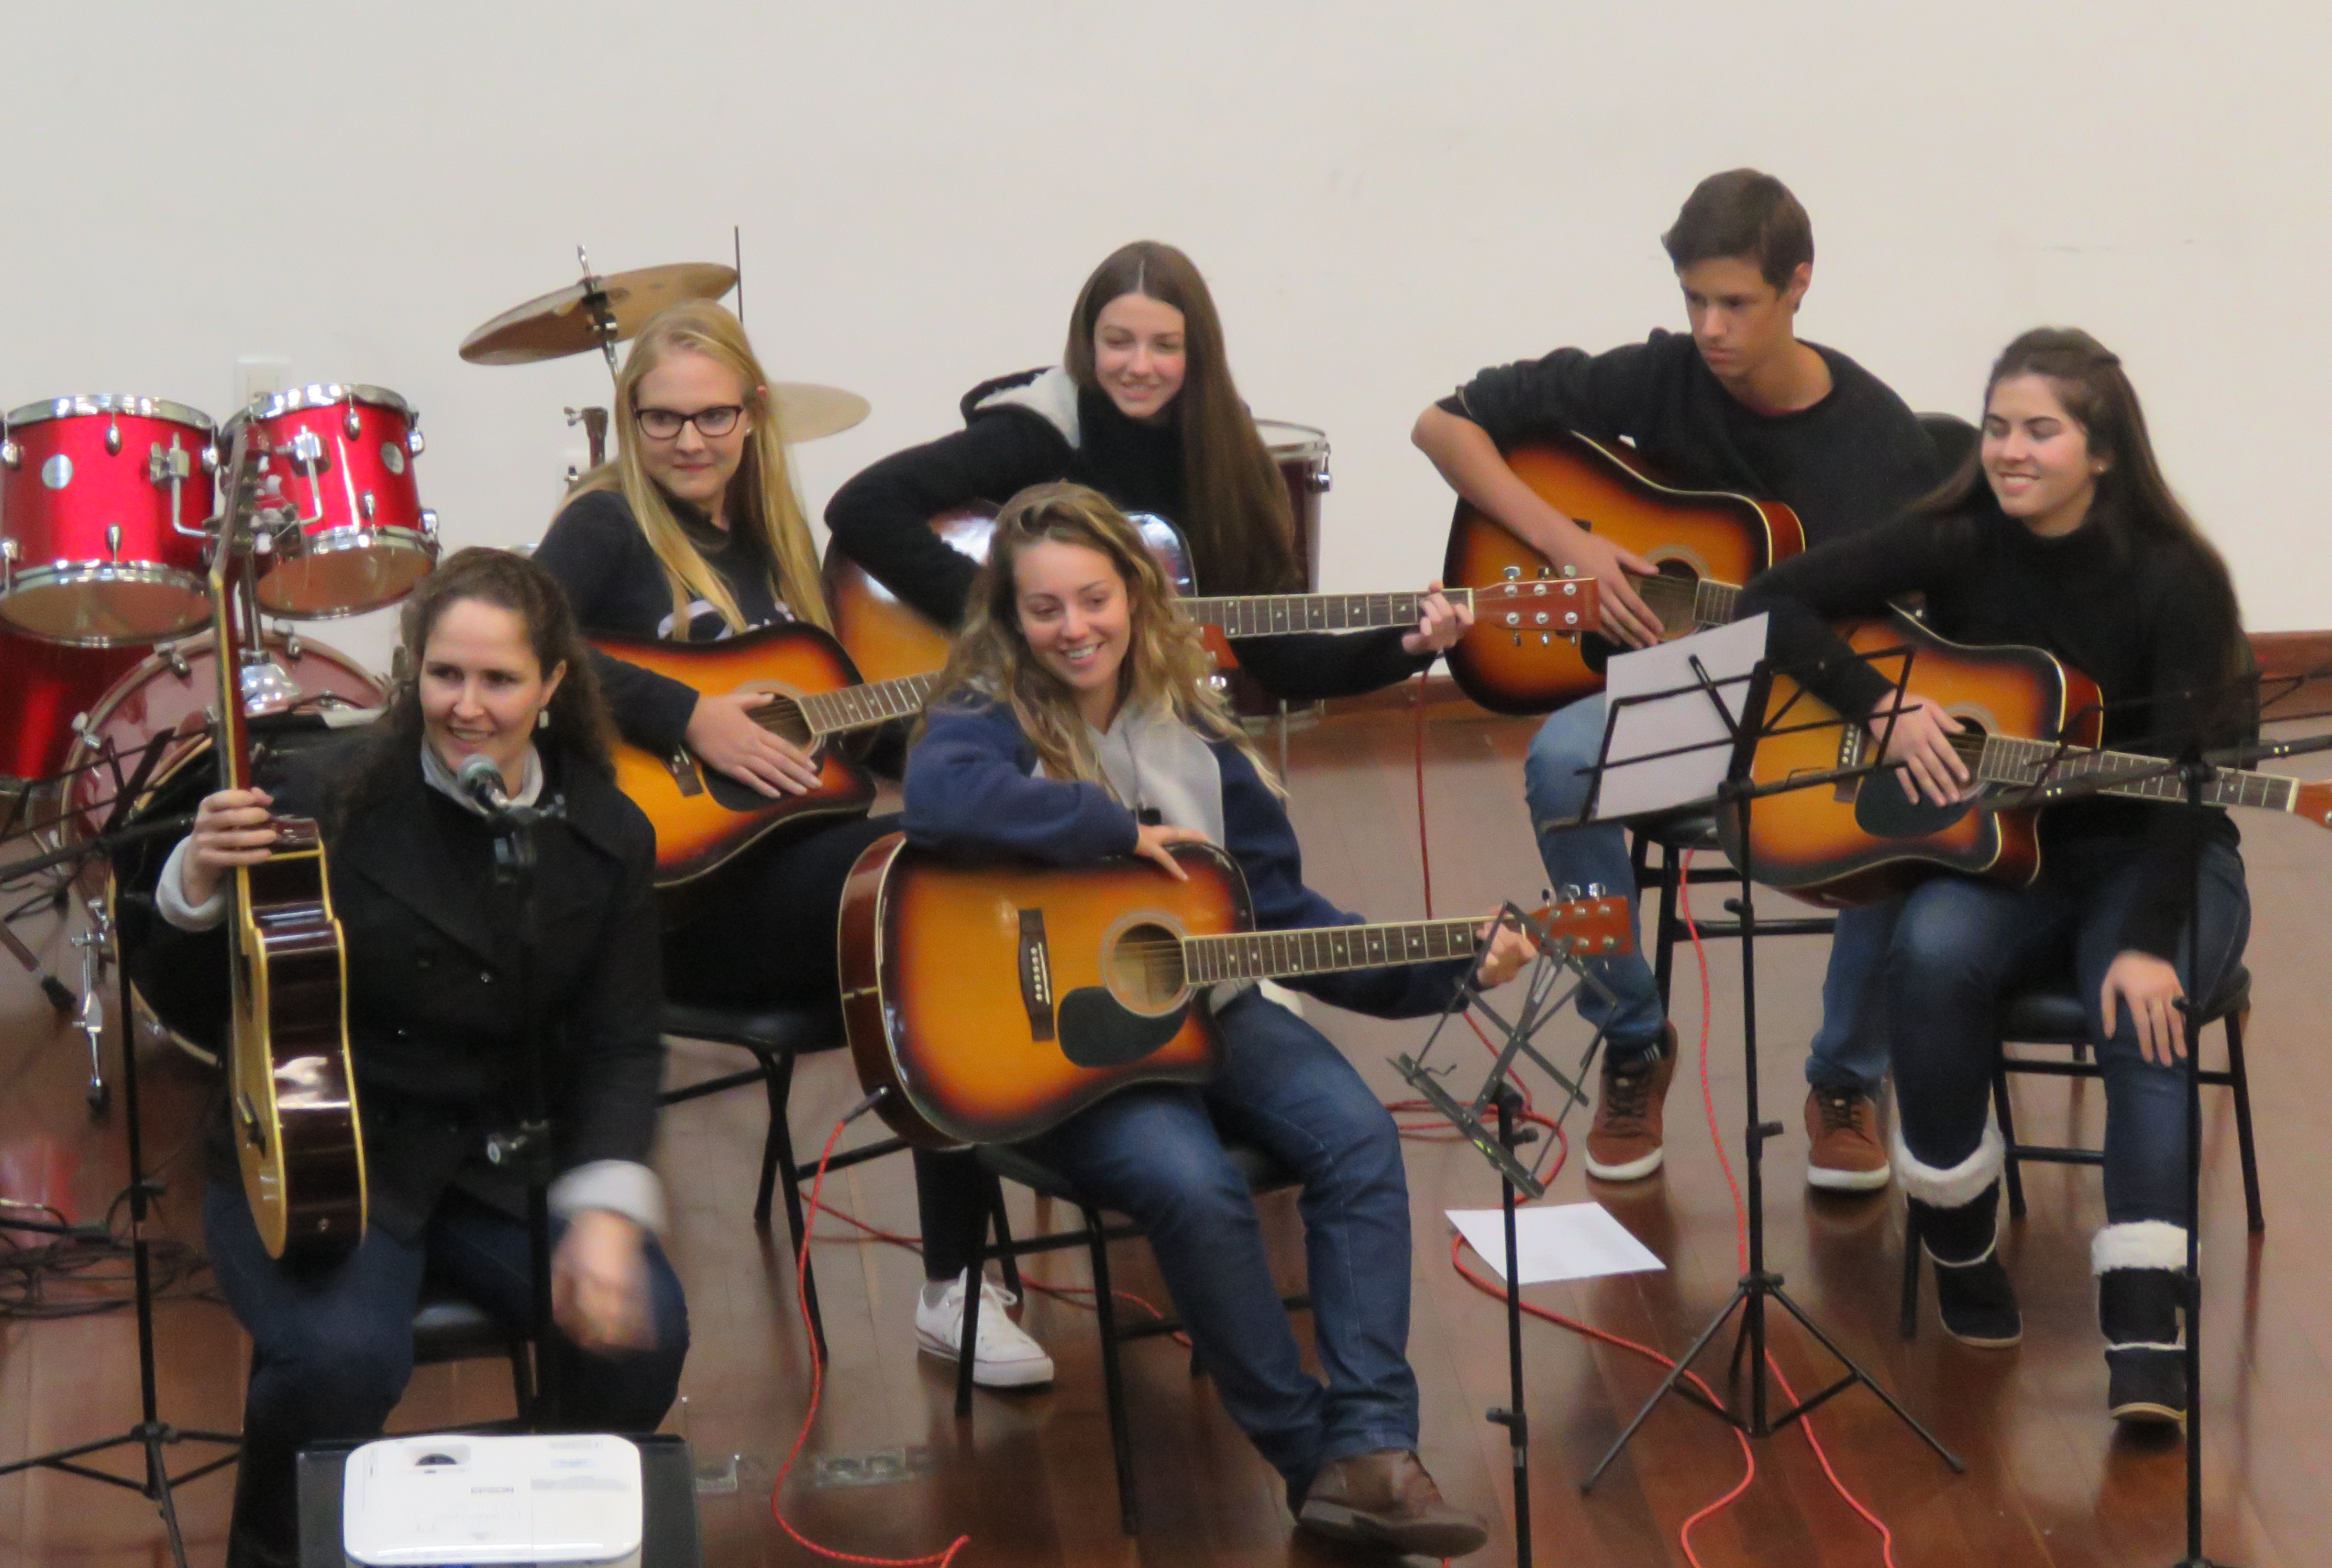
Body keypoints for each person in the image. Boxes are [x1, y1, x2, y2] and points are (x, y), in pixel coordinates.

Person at [902, 481, 1537, 1558]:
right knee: (1192, 1185)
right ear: (1009, 617)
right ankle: (1312, 1460)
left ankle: (1375, 1446)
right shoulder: (982, 709)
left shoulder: (1194, 725)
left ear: (1135, 595)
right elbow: (939, 800)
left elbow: (1282, 918)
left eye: (1094, 600)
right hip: (1052, 1042)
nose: (1074, 628)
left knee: (1357, 1137)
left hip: (1213, 1003)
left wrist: (1452, 969)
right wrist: (1106, 827)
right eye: (1044, 609)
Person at [533, 299, 1051, 1389]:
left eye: (712, 416)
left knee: (956, 880)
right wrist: (687, 716)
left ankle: (983, 1247)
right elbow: (525, 643)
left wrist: (980, 727)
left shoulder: (772, 538)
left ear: (754, 412)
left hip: (790, 861)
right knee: (927, 893)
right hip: (679, 907)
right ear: (629, 417)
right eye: (662, 418)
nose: (689, 440)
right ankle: (955, 1285)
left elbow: (833, 724)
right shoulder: (606, 524)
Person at [1736, 328, 2250, 1426]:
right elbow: (1766, 599)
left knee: (2138, 1014)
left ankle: (2146, 1330)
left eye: (2040, 431)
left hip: (2157, 856)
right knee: (1927, 957)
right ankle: (1960, 1246)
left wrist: (2150, 945)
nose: (2010, 451)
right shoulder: (1961, 542)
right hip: (2008, 851)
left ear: (2101, 451)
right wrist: (1877, 705)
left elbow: (2189, 782)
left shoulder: (2177, 579)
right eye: (1997, 427)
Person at [140, 549, 691, 1568]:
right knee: (340, 1363)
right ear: (412, 672)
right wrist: (194, 884)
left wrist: (608, 1217)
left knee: (642, 1333)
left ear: (553, 683)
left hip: (502, 1164)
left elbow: (622, 1043)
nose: (467, 707)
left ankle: (554, 1538)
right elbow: (195, 999)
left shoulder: (607, 832)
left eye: (499, 680)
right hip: (324, 1150)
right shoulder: (322, 796)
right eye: (445, 675)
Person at [1411, 170, 1942, 1188]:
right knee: (1563, 763)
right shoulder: (1661, 378)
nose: (1709, 328)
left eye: (1734, 303)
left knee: (1906, 791)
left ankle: (1846, 1076)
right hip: (1690, 691)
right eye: (1694, 299)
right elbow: (1442, 425)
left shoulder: (1877, 443)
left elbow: (1916, 627)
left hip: (1816, 697)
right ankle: (1633, 1037)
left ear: (1798, 285)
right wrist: (1568, 543)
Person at [824, 238, 1469, 701]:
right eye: (1118, 342)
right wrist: (1007, 615)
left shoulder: (1227, 457)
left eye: (1165, 346)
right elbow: (862, 506)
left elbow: (1282, 658)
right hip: (1025, 716)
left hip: (1148, 717)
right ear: (1088, 343)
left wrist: (1407, 645)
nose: (1139, 366)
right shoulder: (1042, 431)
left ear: (1198, 352)